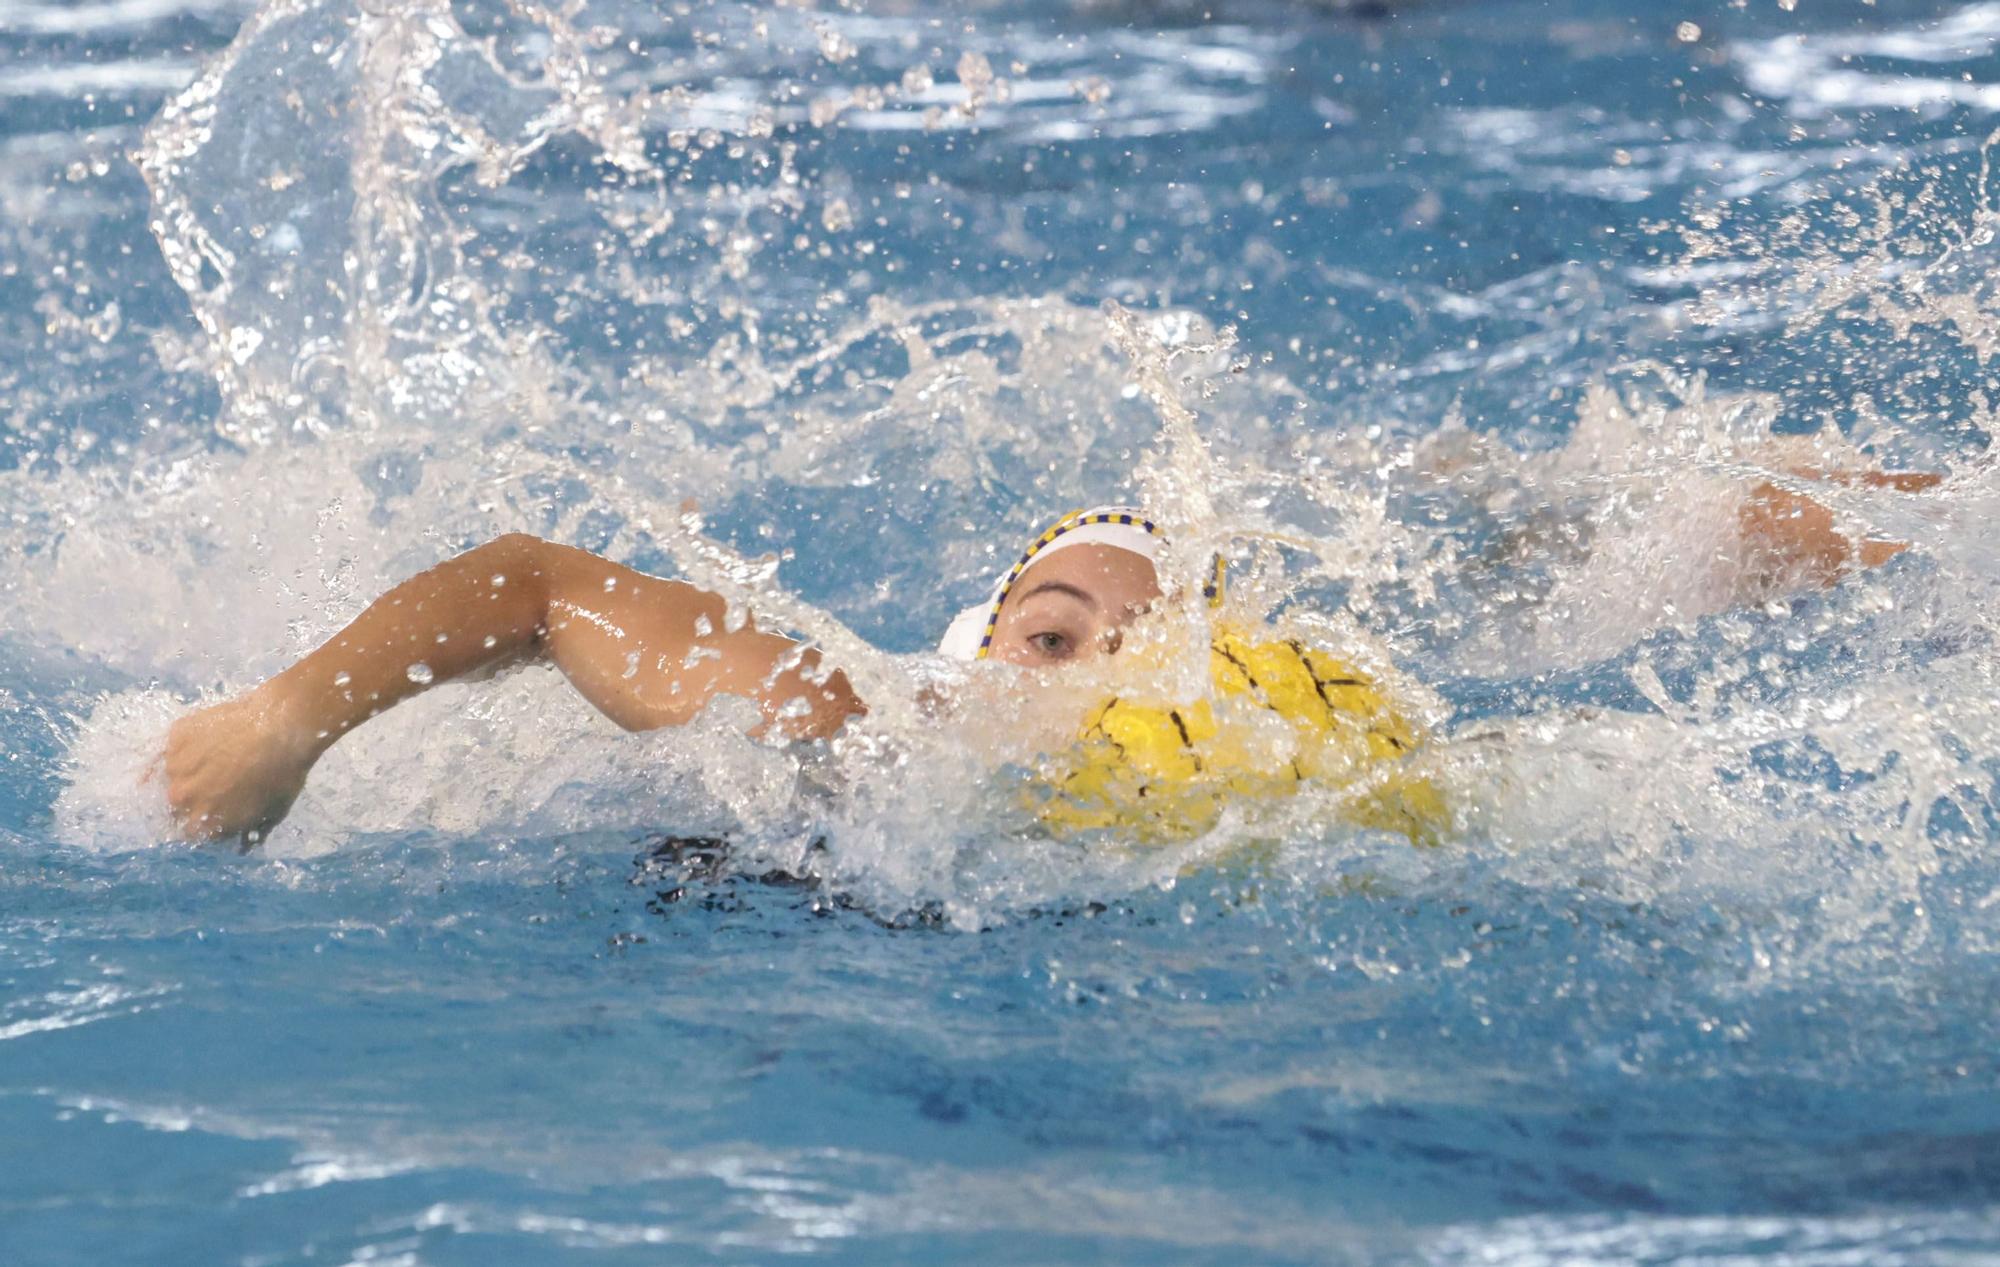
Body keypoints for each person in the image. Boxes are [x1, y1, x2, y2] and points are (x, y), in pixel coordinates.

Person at [158, 471, 1936, 846]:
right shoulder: (854, 731)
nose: (1111, 679)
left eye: (1164, 645)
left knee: (1540, 573)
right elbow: (534, 580)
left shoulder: (1324, 793)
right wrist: (277, 728)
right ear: (982, 656)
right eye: (1058, 635)